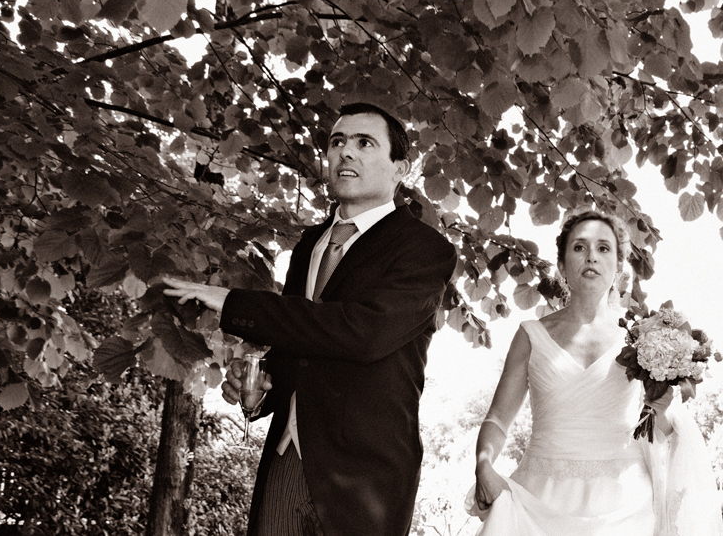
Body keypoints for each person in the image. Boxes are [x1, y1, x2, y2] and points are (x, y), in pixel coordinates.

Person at [163, 102, 457, 536]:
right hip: (286, 460)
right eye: (337, 142)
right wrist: (260, 390)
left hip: (365, 481)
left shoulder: (424, 249)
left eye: (364, 143)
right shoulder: (309, 245)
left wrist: (233, 303)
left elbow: (362, 333)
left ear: (401, 168)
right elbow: (298, 342)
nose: (346, 152)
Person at [466, 210, 723, 535]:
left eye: (603, 248)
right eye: (579, 247)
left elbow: (662, 429)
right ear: (561, 265)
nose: (591, 256)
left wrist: (661, 410)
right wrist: (483, 464)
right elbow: (497, 419)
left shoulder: (644, 338)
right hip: (538, 503)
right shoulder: (530, 335)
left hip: (627, 507)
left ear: (618, 266)